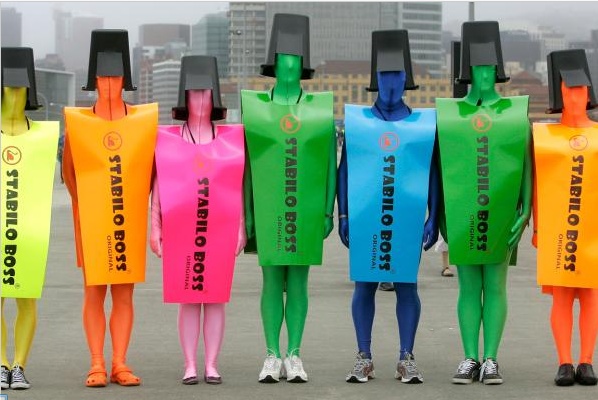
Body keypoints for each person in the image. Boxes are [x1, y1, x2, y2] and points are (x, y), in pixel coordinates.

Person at [338, 30, 439, 384]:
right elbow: (345, 169)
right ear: (375, 79)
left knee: (407, 285)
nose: (391, 82)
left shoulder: (424, 125)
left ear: (406, 79)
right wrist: (344, 214)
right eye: (384, 75)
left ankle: (406, 357)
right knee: (364, 284)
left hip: (406, 218)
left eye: (397, 75)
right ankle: (363, 356)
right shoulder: (359, 123)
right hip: (368, 216)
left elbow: (431, 172)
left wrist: (434, 217)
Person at [241, 13, 336, 383]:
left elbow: (329, 160)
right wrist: (247, 212)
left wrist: (329, 211)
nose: (290, 65)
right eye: (284, 59)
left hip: (305, 210)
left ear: (303, 65)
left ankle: (294, 353)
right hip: (269, 212)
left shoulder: (317, 109)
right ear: (274, 63)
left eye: (296, 60)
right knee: (270, 282)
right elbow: (248, 166)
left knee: (298, 283)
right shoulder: (257, 108)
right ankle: (270, 353)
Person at [435, 22, 531, 385]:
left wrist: (526, 209)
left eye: (490, 68)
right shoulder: (453, 115)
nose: (485, 73)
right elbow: (444, 167)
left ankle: (490, 357)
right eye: (477, 68)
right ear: (467, 72)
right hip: (463, 215)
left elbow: (525, 164)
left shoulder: (513, 112)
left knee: (495, 285)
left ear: (499, 70)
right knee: (467, 286)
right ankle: (469, 356)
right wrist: (441, 212)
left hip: (502, 212)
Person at [62, 30, 158, 387]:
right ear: (93, 80)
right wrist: (90, 207)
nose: (107, 84)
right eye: (102, 77)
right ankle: (96, 362)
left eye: (115, 77)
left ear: (125, 80)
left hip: (126, 220)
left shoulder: (142, 122)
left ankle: (119, 361)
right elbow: (70, 176)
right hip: (91, 221)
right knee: (94, 291)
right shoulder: (78, 124)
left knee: (124, 292)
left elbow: (148, 173)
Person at [150, 55, 246, 385]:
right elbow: (159, 184)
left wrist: (240, 228)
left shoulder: (231, 138)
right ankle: (190, 362)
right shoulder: (169, 138)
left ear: (216, 97)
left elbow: (237, 185)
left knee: (216, 297)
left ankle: (212, 363)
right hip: (182, 230)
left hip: (217, 228)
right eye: (194, 93)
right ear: (184, 97)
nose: (201, 100)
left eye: (206, 93)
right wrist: (155, 225)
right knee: (188, 297)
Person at [532, 49, 598, 386]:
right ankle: (564, 360)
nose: (576, 96)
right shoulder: (545, 138)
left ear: (590, 94)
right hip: (560, 232)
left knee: (590, 295)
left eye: (581, 90)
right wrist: (538, 225)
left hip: (592, 233)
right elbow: (539, 185)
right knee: (561, 296)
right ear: (560, 94)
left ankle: (586, 360)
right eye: (569, 90)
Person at [1, 47, 59, 390]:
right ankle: (2, 363)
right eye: (9, 88)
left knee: (26, 298)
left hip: (28, 231)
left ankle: (19, 364)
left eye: (21, 89)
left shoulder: (42, 135)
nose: (15, 96)